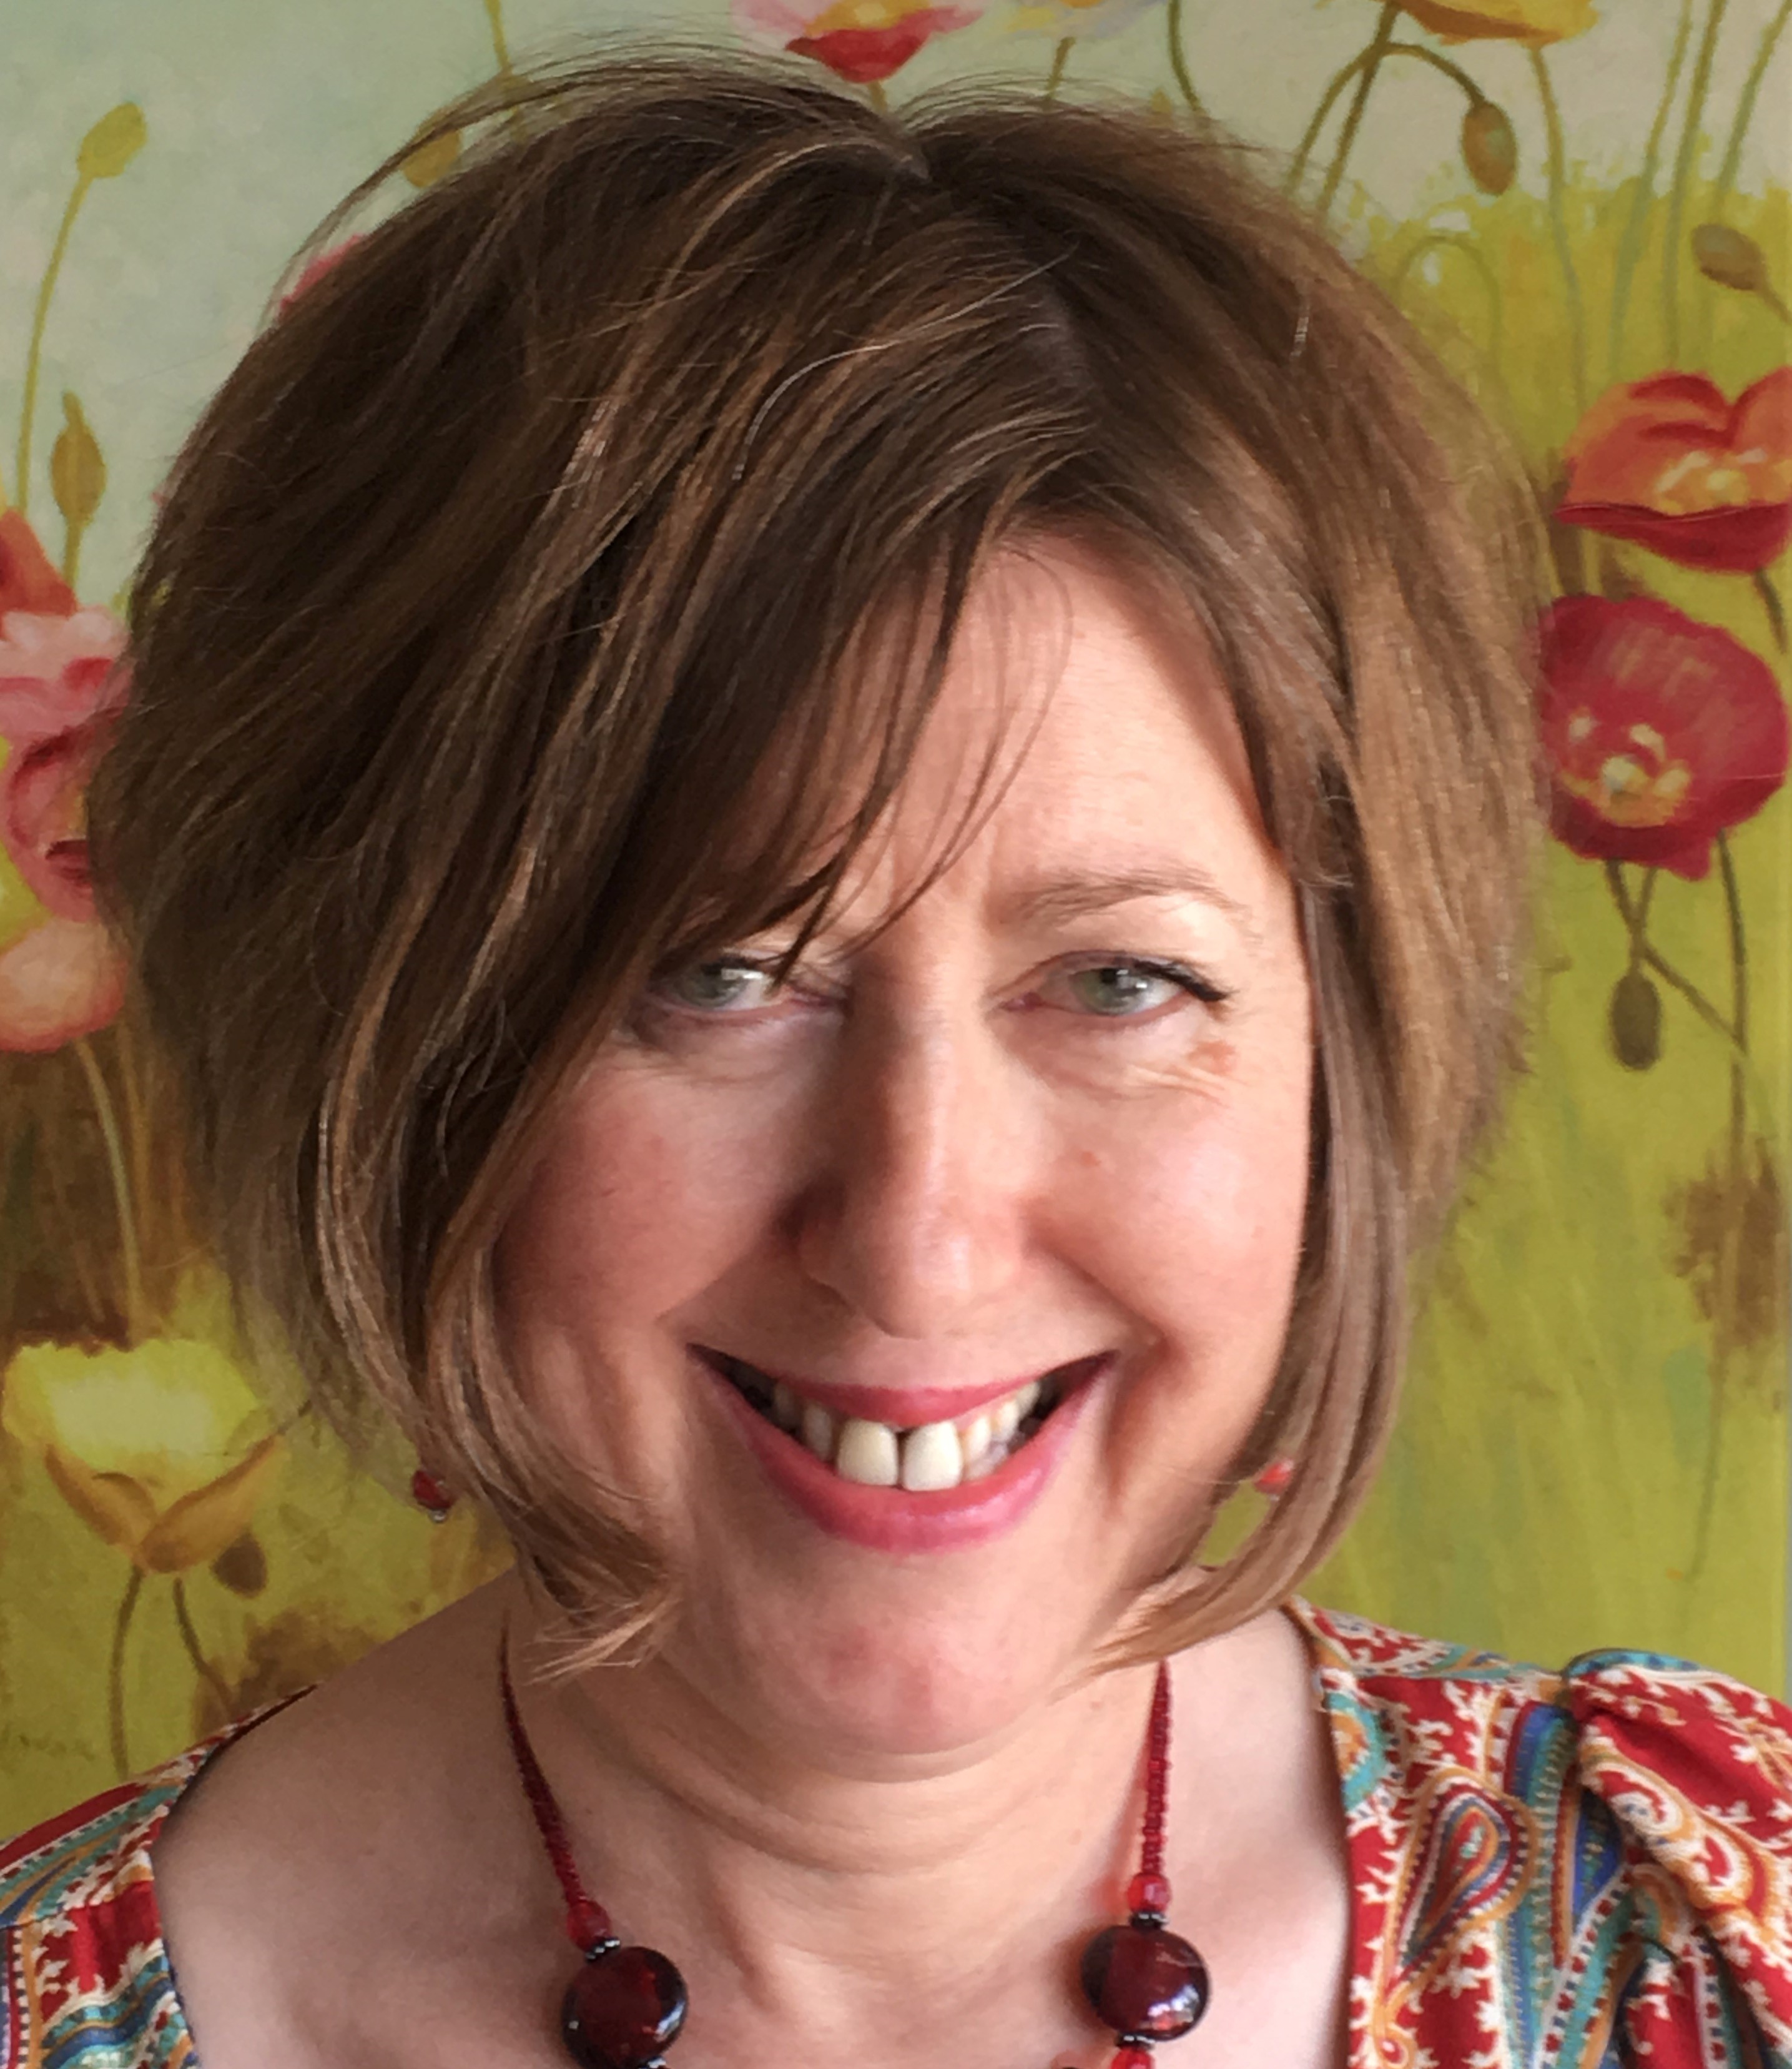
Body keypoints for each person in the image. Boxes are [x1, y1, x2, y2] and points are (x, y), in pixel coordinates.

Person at [2, 54, 1788, 2069]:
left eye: (1119, 980)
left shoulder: (1721, 1944)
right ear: (381, 1062)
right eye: (719, 974)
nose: (920, 1236)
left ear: (1344, 1062)